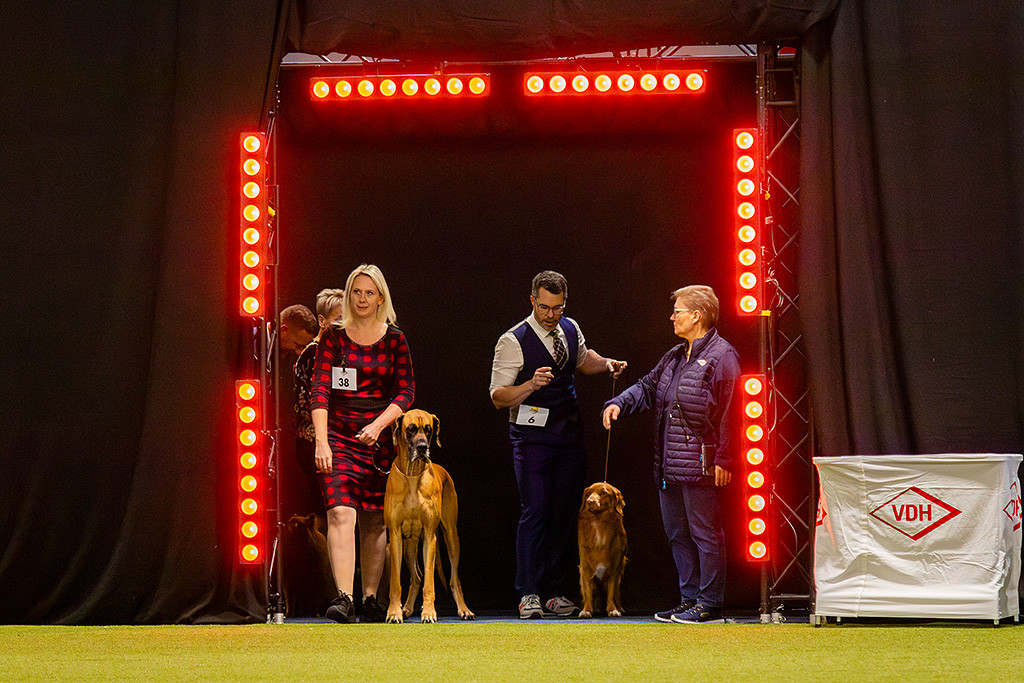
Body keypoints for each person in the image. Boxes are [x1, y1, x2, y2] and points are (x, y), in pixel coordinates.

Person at [490, 270, 626, 619]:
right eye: (546, 307)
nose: (552, 315)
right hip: (532, 439)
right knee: (535, 511)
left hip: (569, 435)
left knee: (566, 515)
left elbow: (582, 359)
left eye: (558, 308)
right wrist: (530, 385)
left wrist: (606, 363)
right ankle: (529, 593)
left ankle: (554, 591)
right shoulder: (513, 340)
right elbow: (498, 397)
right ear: (533, 300)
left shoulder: (570, 328)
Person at [601, 285, 739, 624]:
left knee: (705, 534)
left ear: (697, 315)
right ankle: (689, 597)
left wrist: (725, 458)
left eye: (678, 310)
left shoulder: (723, 356)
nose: (672, 316)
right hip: (669, 464)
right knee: (678, 533)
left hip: (701, 463)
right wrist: (619, 402)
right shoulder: (676, 355)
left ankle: (709, 602)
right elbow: (648, 386)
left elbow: (733, 412)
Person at [310, 265, 414, 623]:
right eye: (357, 292)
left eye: (370, 293)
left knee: (375, 521)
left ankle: (370, 598)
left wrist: (379, 425)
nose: (363, 299)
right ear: (348, 295)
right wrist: (321, 442)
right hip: (339, 435)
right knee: (340, 512)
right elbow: (319, 390)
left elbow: (406, 392)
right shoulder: (333, 337)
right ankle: (345, 597)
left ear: (381, 297)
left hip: (380, 440)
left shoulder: (395, 339)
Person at [290, 289, 345, 517]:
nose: (345, 324)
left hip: (336, 442)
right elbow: (308, 405)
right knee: (325, 510)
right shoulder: (313, 353)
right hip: (315, 443)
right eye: (339, 318)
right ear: (322, 321)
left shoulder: (342, 352)